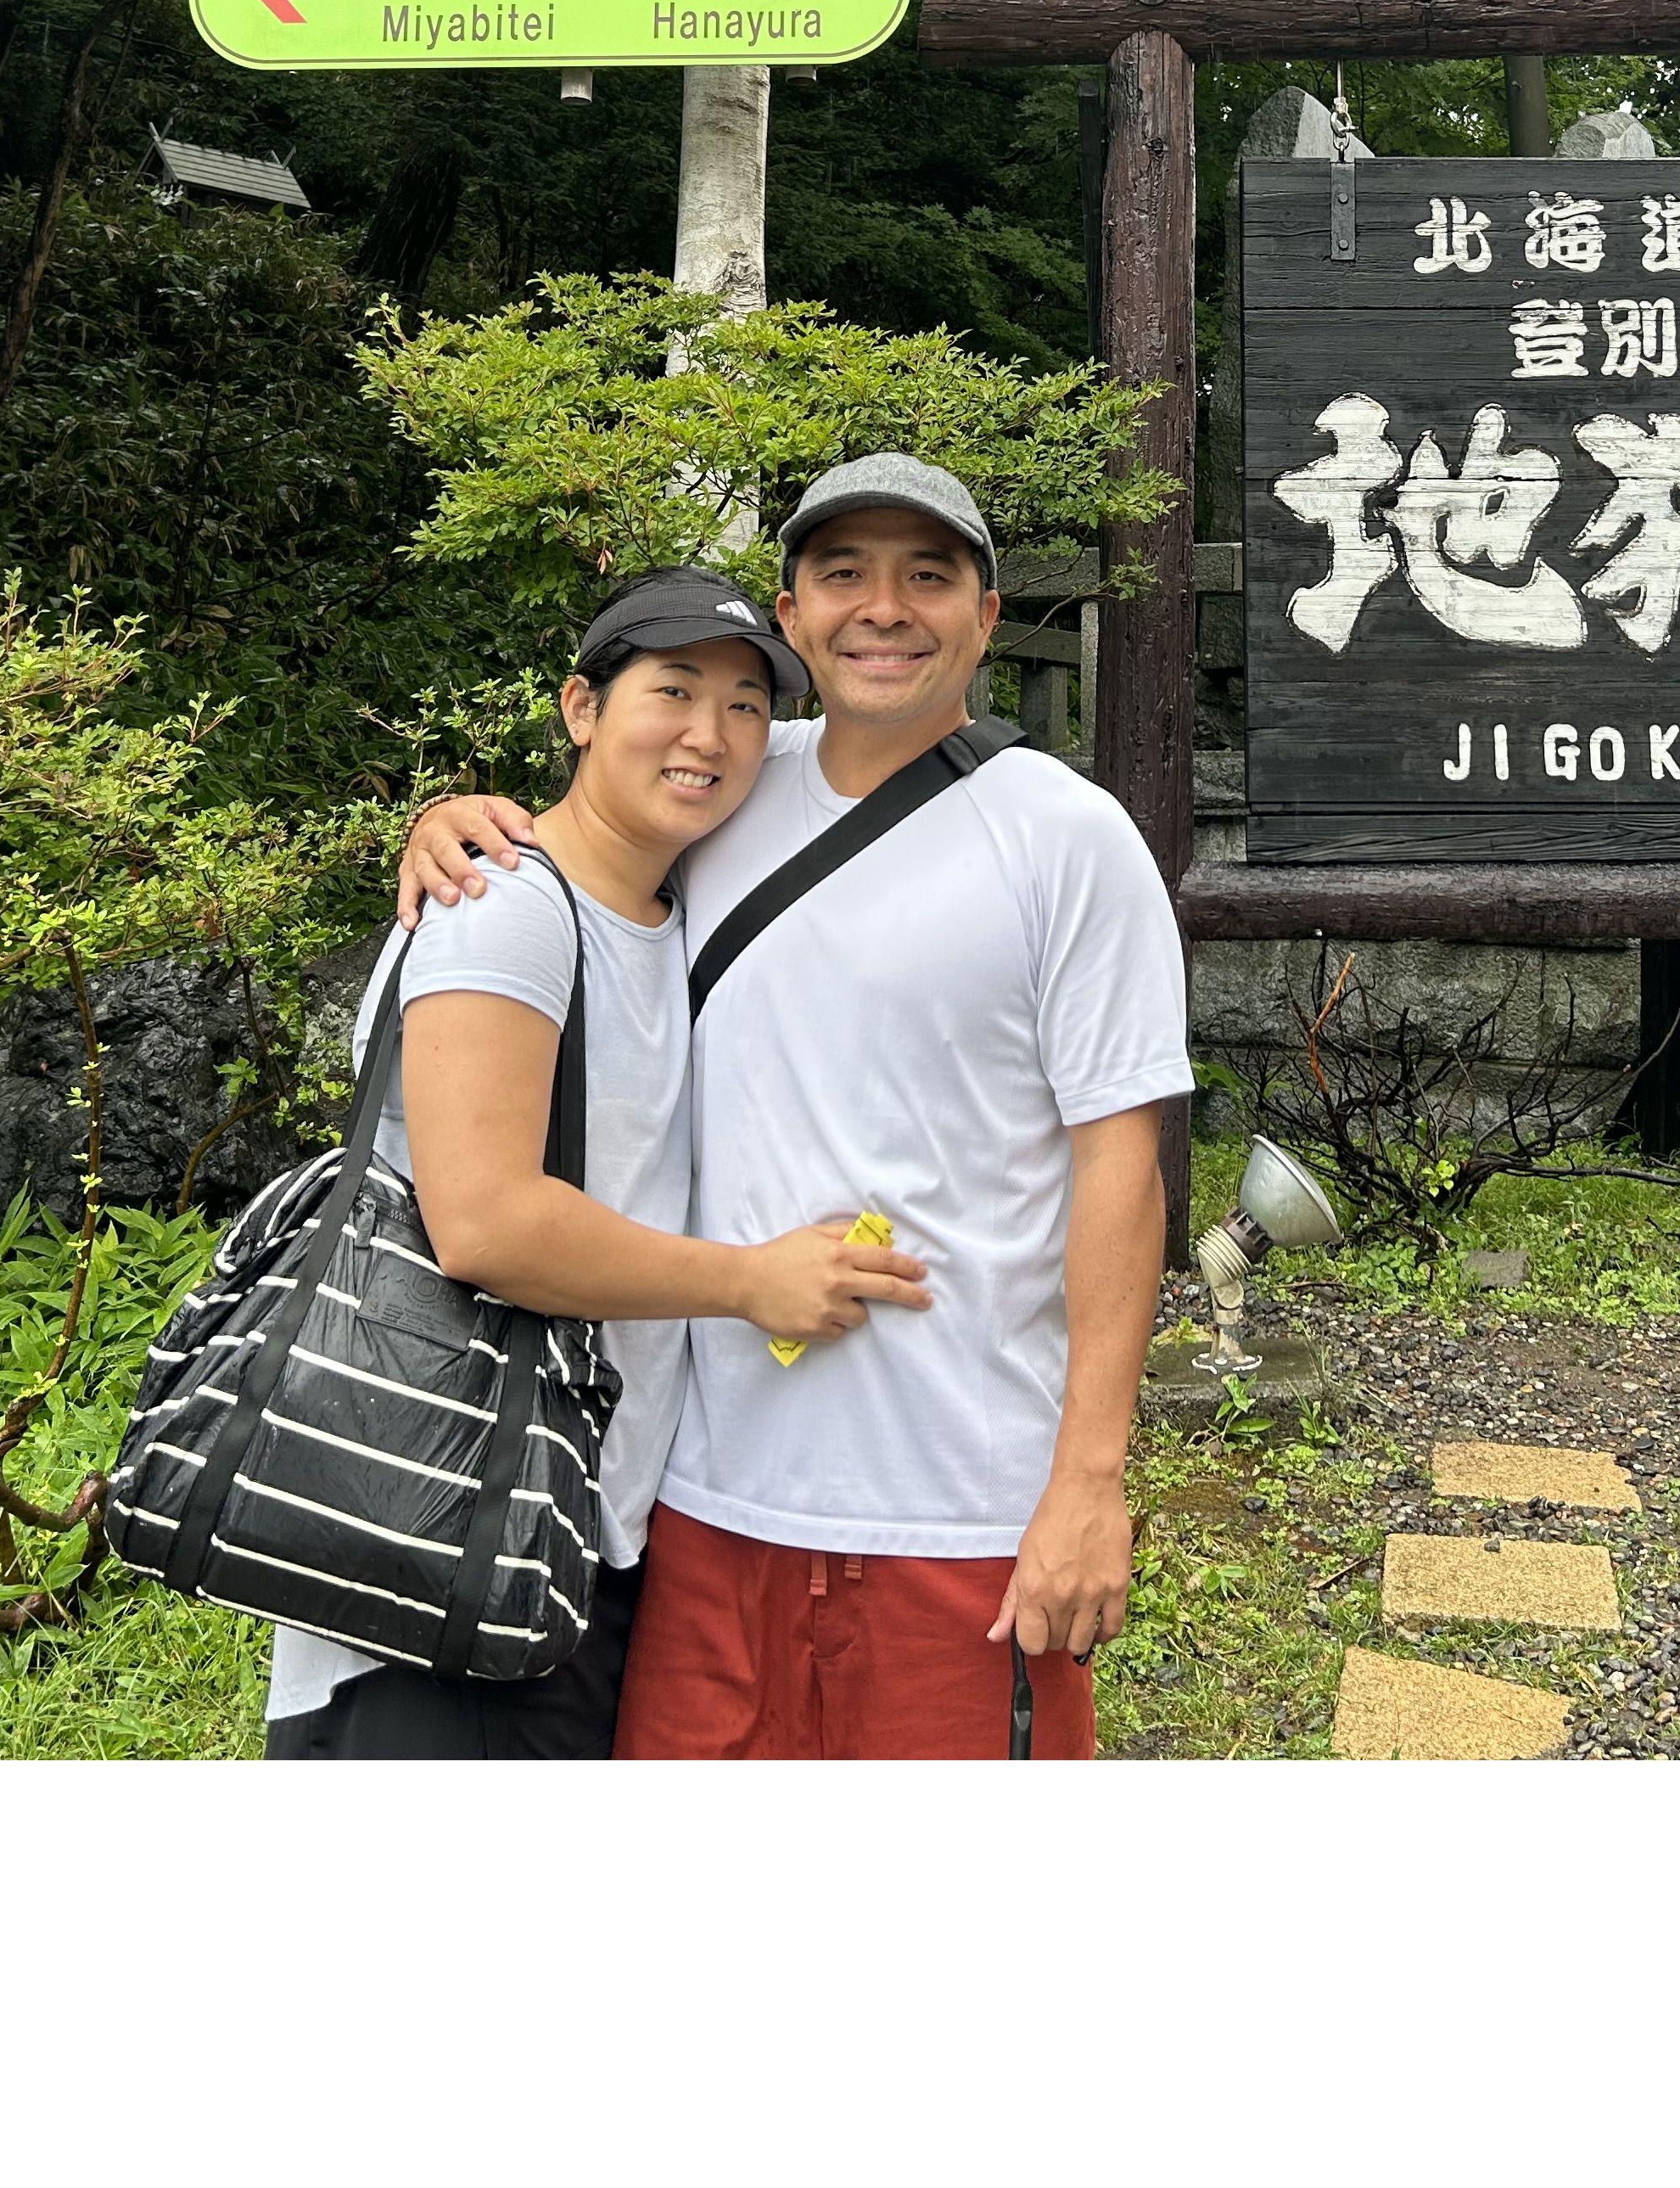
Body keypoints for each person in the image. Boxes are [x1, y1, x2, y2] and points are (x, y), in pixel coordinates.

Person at [398, 453, 1190, 1759]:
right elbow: (580, 829)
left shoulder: (1068, 835)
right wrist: (454, 822)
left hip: (962, 1511)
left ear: (986, 618)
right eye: (844, 575)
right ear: (793, 611)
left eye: (928, 577)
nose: (885, 608)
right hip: (707, 1506)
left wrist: (1089, 1484)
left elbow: (1122, 1170)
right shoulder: (725, 784)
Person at [266, 566, 932, 1762]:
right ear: (581, 708)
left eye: (743, 706)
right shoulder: (503, 905)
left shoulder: (678, 914)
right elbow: (481, 1222)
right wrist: (747, 1282)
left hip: (576, 1538)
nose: (708, 734)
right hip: (431, 1548)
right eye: (671, 691)